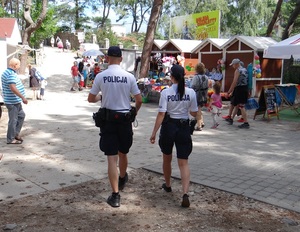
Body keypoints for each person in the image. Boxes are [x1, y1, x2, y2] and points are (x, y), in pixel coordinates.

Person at [87, 46, 142, 208]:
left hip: (109, 120)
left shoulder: (101, 76)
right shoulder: (129, 77)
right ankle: (123, 177)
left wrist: (101, 97)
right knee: (123, 152)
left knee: (112, 158)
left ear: (107, 58)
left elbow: (91, 98)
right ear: (121, 59)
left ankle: (115, 195)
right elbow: (139, 100)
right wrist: (134, 113)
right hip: (125, 120)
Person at [150, 64, 198, 208]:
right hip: (183, 127)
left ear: (171, 77)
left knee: (167, 158)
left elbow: (161, 114)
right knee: (183, 162)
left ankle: (168, 184)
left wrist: (154, 133)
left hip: (169, 127)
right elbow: (194, 113)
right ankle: (185, 193)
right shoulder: (191, 92)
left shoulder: (166, 92)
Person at [1, 58, 28, 144]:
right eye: (19, 65)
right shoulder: (11, 74)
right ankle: (11, 139)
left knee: (21, 115)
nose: (19, 67)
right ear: (15, 65)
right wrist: (22, 97)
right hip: (12, 101)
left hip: (14, 100)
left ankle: (15, 134)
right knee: (13, 120)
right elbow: (13, 87)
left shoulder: (7, 72)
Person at [226, 58, 250, 129]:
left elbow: (234, 82)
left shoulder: (238, 70)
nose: (233, 66)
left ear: (236, 64)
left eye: (233, 64)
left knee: (241, 106)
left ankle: (246, 122)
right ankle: (231, 119)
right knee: (237, 104)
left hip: (239, 89)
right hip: (245, 88)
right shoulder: (245, 70)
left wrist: (229, 91)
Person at [191, 62, 209, 131]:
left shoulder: (196, 77)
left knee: (197, 110)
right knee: (200, 109)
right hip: (204, 94)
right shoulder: (206, 77)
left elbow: (193, 86)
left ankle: (199, 126)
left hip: (198, 94)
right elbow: (207, 87)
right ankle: (201, 121)